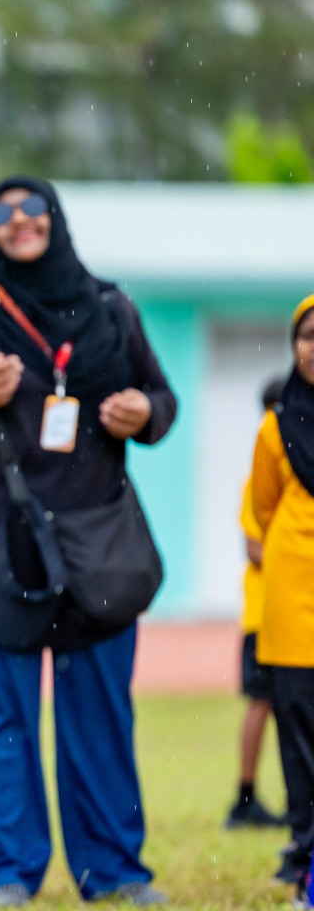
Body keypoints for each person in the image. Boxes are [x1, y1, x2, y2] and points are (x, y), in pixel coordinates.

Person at [0, 177, 177, 908]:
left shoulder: (113, 312)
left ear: (55, 218)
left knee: (102, 720)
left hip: (98, 547)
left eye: (32, 210)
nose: (18, 222)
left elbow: (163, 400)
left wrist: (143, 411)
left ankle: (114, 873)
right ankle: (6, 876)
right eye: (2, 213)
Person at [247, 294, 314, 898]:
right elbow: (260, 514)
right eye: (307, 336)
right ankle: (307, 862)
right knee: (299, 737)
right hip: (293, 602)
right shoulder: (277, 426)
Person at [226, 376, 290, 830]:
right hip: (267, 612)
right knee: (263, 703)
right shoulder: (262, 476)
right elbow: (254, 547)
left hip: (298, 612)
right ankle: (245, 796)